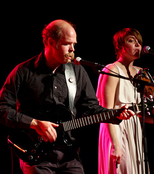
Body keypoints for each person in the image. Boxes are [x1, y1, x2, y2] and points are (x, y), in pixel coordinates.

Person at [0, 20, 134, 174]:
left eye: (74, 44)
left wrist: (116, 114)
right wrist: (35, 123)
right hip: (35, 155)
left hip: (69, 155)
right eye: (67, 44)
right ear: (51, 42)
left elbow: (91, 109)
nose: (73, 49)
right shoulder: (23, 72)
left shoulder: (77, 72)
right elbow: (2, 108)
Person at [96, 28, 154, 174]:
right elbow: (105, 112)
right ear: (120, 47)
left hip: (135, 130)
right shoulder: (111, 70)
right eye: (131, 41)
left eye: (139, 42)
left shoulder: (140, 73)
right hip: (115, 128)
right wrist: (115, 145)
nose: (138, 45)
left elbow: (138, 112)